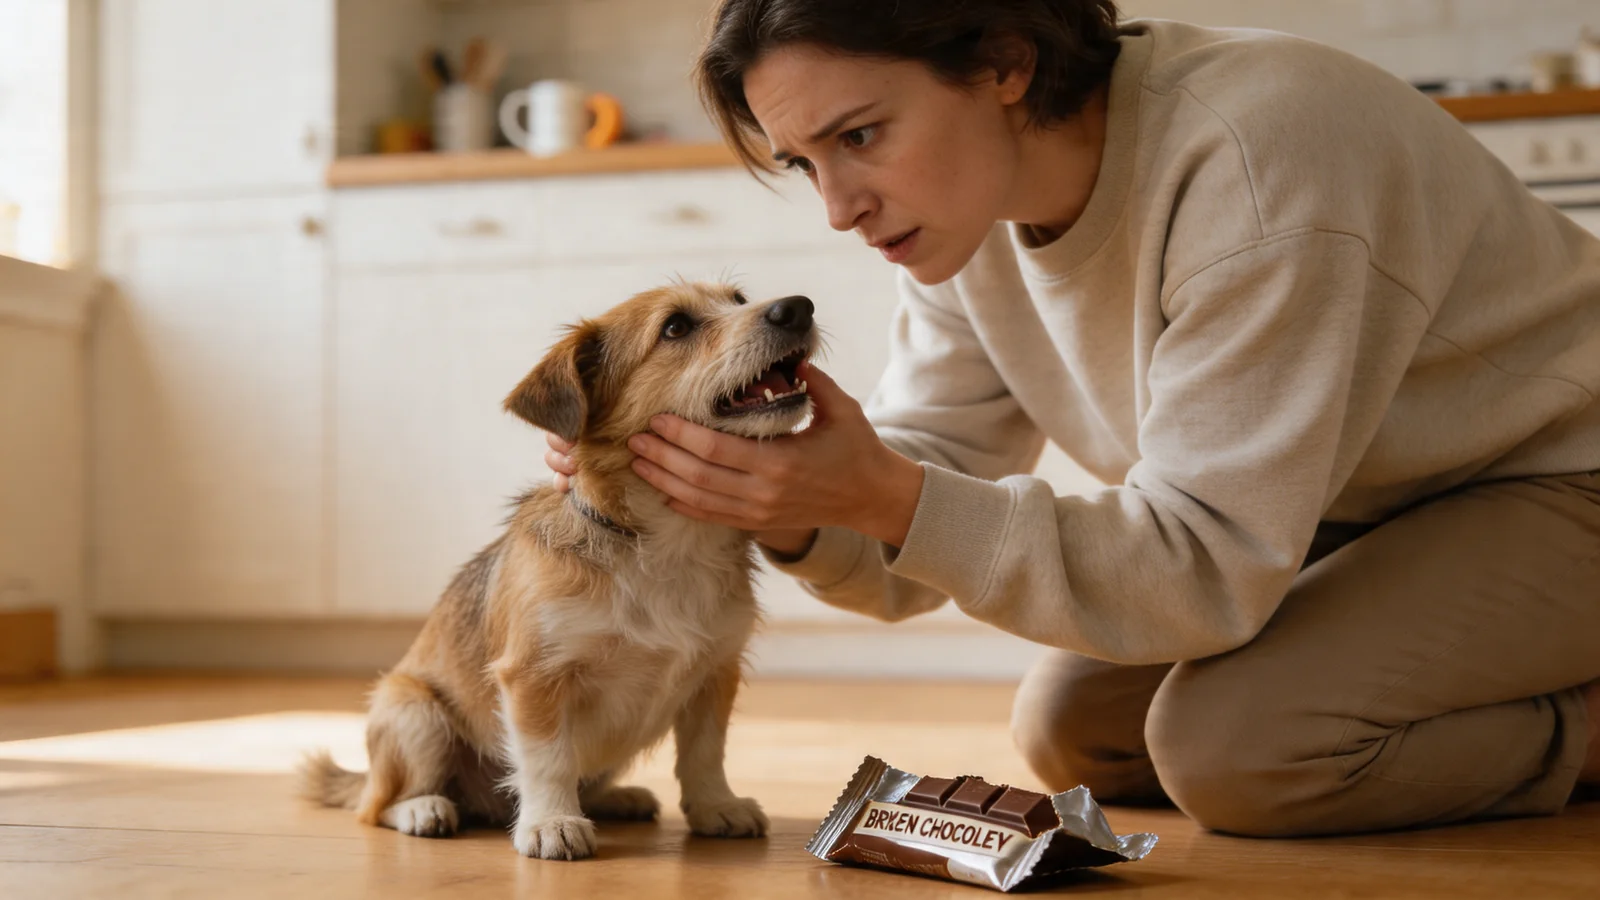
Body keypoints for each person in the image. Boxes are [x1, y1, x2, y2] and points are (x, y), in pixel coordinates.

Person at [544, 0, 1600, 837]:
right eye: (806, 163)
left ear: (1004, 62)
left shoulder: (1257, 156)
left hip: (1559, 472)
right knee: (1074, 733)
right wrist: (781, 498)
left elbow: (1201, 567)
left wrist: (872, 488)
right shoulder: (964, 212)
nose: (839, 206)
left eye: (860, 135)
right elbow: (929, 474)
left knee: (1244, 753)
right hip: (1366, 499)